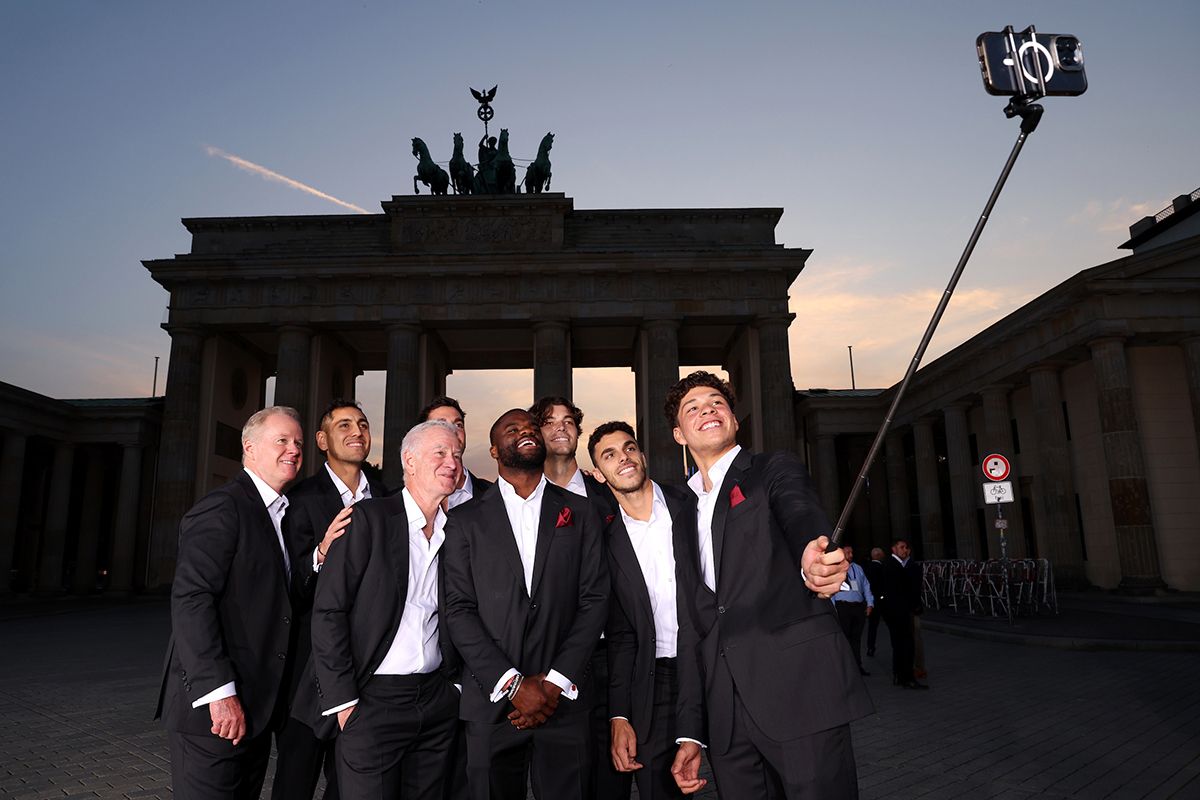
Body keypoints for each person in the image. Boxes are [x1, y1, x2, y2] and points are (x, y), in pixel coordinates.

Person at [665, 371, 874, 798]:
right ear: (678, 434)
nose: (707, 408)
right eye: (693, 407)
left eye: (716, 402)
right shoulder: (680, 511)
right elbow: (692, 625)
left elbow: (798, 511)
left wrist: (811, 556)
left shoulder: (772, 469)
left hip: (798, 691)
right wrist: (690, 732)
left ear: (735, 420)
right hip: (727, 714)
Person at [442, 408, 609, 800]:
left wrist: (552, 683)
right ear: (494, 450)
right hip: (492, 701)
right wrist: (512, 684)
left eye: (532, 427)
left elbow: (594, 599)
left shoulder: (580, 512)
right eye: (512, 429)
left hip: (564, 701)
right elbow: (459, 609)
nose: (526, 432)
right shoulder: (464, 520)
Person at [155, 406, 307, 800]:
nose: (293, 450)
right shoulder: (223, 507)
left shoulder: (279, 514)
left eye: (298, 443)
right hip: (214, 713)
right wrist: (219, 694)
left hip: (254, 709)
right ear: (249, 448)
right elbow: (191, 600)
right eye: (282, 441)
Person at [310, 420, 465, 797]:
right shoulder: (368, 519)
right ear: (409, 461)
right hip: (371, 702)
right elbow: (329, 611)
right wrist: (345, 704)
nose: (452, 462)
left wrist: (454, 688)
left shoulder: (458, 531)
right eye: (440, 453)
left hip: (435, 700)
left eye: (457, 455)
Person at [275, 399, 387, 800]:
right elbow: (288, 588)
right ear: (322, 440)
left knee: (353, 781)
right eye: (343, 426)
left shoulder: (389, 497)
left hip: (369, 668)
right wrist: (320, 553)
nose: (356, 431)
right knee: (296, 778)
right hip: (309, 669)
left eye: (362, 423)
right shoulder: (299, 499)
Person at [589, 421, 689, 800]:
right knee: (660, 788)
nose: (624, 458)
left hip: (716, 663)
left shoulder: (690, 505)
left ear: (642, 455)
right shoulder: (605, 540)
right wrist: (620, 714)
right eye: (609, 455)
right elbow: (621, 634)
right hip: (657, 677)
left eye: (629, 448)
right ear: (599, 474)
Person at [529, 395, 620, 799]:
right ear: (537, 433)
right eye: (549, 422)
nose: (561, 427)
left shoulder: (607, 498)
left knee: (612, 774)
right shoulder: (522, 503)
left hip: (610, 653)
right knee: (562, 780)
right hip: (551, 662)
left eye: (569, 421)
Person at [419, 396, 494, 509]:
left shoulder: (494, 496)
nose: (452, 431)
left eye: (458, 425)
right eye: (441, 424)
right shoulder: (396, 503)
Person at [880, 538, 928, 690]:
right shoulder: (892, 566)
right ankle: (907, 678)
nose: (905, 550)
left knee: (900, 645)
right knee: (905, 645)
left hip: (900, 612)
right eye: (902, 547)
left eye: (907, 548)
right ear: (894, 549)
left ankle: (899, 676)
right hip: (898, 613)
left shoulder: (904, 565)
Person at [832, 545, 874, 676]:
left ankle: (857, 666)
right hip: (842, 607)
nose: (850, 554)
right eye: (847, 552)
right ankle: (845, 669)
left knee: (856, 638)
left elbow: (866, 586)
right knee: (845, 638)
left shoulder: (858, 568)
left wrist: (870, 604)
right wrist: (834, 609)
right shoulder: (835, 569)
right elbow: (831, 592)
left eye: (851, 552)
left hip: (858, 607)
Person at [864, 547, 885, 657]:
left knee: (872, 626)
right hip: (881, 600)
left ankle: (870, 647)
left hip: (871, 600)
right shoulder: (881, 568)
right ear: (879, 555)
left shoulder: (866, 568)